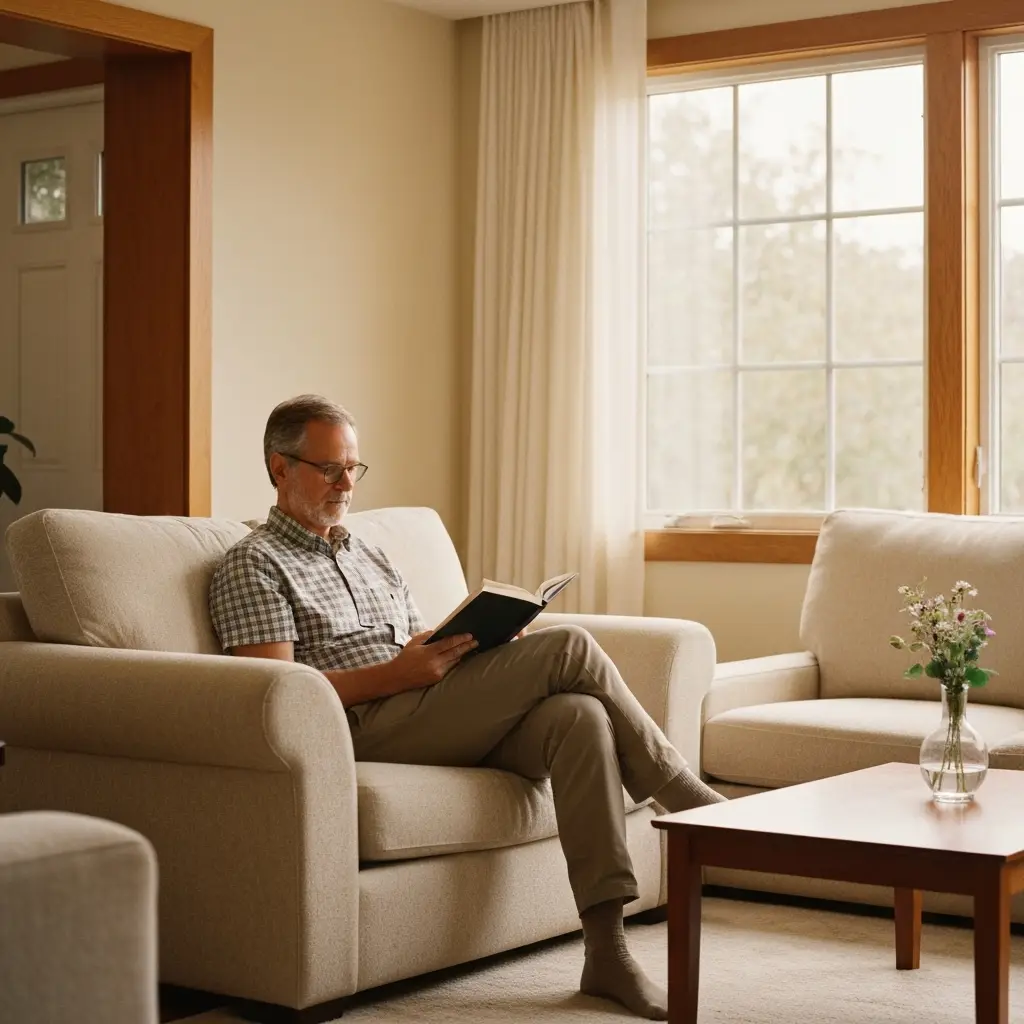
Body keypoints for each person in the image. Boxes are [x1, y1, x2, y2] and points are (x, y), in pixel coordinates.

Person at [209, 394, 724, 1021]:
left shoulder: (368, 553)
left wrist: (466, 642)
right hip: (355, 726)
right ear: (279, 468)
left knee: (578, 717)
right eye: (329, 469)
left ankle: (606, 954)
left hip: (422, 704)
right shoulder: (253, 563)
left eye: (353, 468)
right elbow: (274, 694)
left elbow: (413, 643)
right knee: (569, 645)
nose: (346, 483)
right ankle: (688, 800)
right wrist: (398, 673)